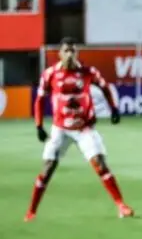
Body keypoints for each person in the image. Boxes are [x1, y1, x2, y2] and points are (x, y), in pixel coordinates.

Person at [26, 37, 134, 221]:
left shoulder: (87, 72)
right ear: (59, 53)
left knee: (100, 163)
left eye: (72, 50)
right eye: (66, 50)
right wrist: (39, 125)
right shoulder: (50, 74)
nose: (69, 54)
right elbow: (39, 99)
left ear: (77, 53)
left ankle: (121, 206)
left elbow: (105, 87)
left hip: (84, 127)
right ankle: (31, 212)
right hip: (60, 128)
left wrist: (113, 108)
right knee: (47, 168)